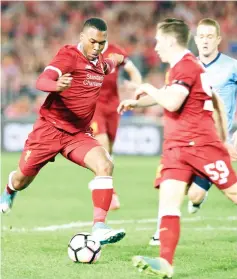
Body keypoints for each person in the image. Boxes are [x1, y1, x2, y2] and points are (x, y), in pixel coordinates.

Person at [118, 18, 237, 278]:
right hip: (177, 148)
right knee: (168, 203)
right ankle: (165, 262)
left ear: (171, 41)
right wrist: (137, 103)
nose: (156, 47)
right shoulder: (183, 67)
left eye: (158, 41)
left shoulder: (185, 66)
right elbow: (213, 98)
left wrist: (147, 87)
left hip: (200, 145)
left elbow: (172, 102)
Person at [0, 18, 126, 246]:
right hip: (49, 130)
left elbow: (109, 64)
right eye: (93, 42)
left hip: (77, 134)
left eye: (102, 43)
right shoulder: (68, 56)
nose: (97, 47)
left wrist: (118, 59)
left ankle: (99, 227)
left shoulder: (99, 62)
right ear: (81, 38)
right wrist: (56, 86)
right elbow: (42, 80)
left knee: (105, 164)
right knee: (22, 179)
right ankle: (9, 188)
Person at [150, 17, 237, 246]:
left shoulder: (230, 67)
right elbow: (170, 94)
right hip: (187, 142)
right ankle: (163, 246)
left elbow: (209, 101)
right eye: (202, 36)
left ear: (218, 39)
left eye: (210, 36)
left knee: (198, 193)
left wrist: (231, 136)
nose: (206, 40)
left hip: (209, 143)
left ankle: (192, 204)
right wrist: (139, 100)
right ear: (196, 39)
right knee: (170, 189)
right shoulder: (187, 65)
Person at [91, 42, 142, 210]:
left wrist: (136, 88)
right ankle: (110, 193)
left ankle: (100, 179)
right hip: (94, 106)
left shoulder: (116, 52)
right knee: (103, 144)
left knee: (109, 152)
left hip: (113, 106)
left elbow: (133, 71)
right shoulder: (86, 51)